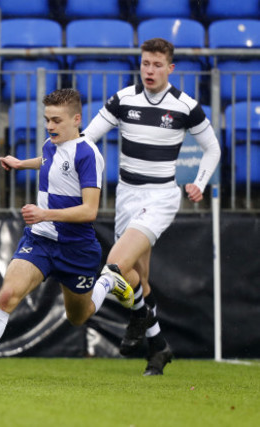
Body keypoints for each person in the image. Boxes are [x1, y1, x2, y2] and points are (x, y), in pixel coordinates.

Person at [0, 88, 134, 383]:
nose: (50, 126)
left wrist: (45, 213)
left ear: (76, 120)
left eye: (57, 120)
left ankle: (109, 280)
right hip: (40, 240)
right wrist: (21, 163)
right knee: (8, 294)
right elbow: (49, 159)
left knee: (79, 316)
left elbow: (89, 211)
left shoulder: (89, 155)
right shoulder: (52, 143)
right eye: (47, 119)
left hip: (77, 248)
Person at [83, 38, 221, 375]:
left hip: (160, 198)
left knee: (115, 265)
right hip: (127, 197)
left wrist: (199, 183)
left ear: (170, 69)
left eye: (157, 65)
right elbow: (87, 139)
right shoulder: (122, 99)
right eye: (145, 63)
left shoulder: (185, 106)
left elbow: (213, 148)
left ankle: (136, 317)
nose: (149, 70)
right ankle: (158, 347)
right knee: (136, 280)